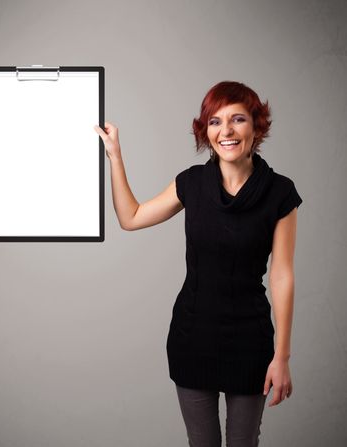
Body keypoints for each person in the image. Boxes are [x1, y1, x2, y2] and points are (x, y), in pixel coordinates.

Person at [93, 80, 302, 447]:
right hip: (193, 338)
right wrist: (115, 155)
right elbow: (132, 217)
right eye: (215, 122)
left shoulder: (280, 192)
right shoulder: (191, 183)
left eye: (238, 119)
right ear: (206, 131)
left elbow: (282, 275)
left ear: (256, 126)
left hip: (251, 342)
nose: (227, 131)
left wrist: (281, 356)